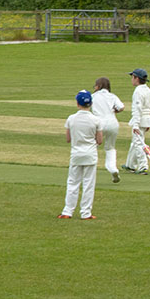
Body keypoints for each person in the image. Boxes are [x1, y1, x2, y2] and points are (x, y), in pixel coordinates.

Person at [59, 90, 103, 219]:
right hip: (90, 154)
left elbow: (68, 139)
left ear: (77, 103)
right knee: (88, 184)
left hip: (76, 154)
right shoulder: (96, 120)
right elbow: (99, 140)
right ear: (90, 104)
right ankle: (86, 213)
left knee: (73, 183)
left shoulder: (71, 118)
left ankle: (67, 211)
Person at [91, 76, 125, 183]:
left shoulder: (93, 96)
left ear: (98, 86)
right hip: (113, 123)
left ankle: (90, 171)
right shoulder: (112, 96)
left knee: (92, 146)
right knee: (110, 148)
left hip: (98, 123)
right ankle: (113, 169)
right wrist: (114, 111)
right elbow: (121, 107)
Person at [123, 68, 150, 174]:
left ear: (137, 78)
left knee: (138, 143)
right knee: (136, 142)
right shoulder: (148, 90)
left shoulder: (138, 91)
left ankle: (143, 166)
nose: (131, 79)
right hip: (146, 119)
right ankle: (130, 165)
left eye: (132, 77)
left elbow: (137, 109)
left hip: (140, 120)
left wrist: (135, 125)